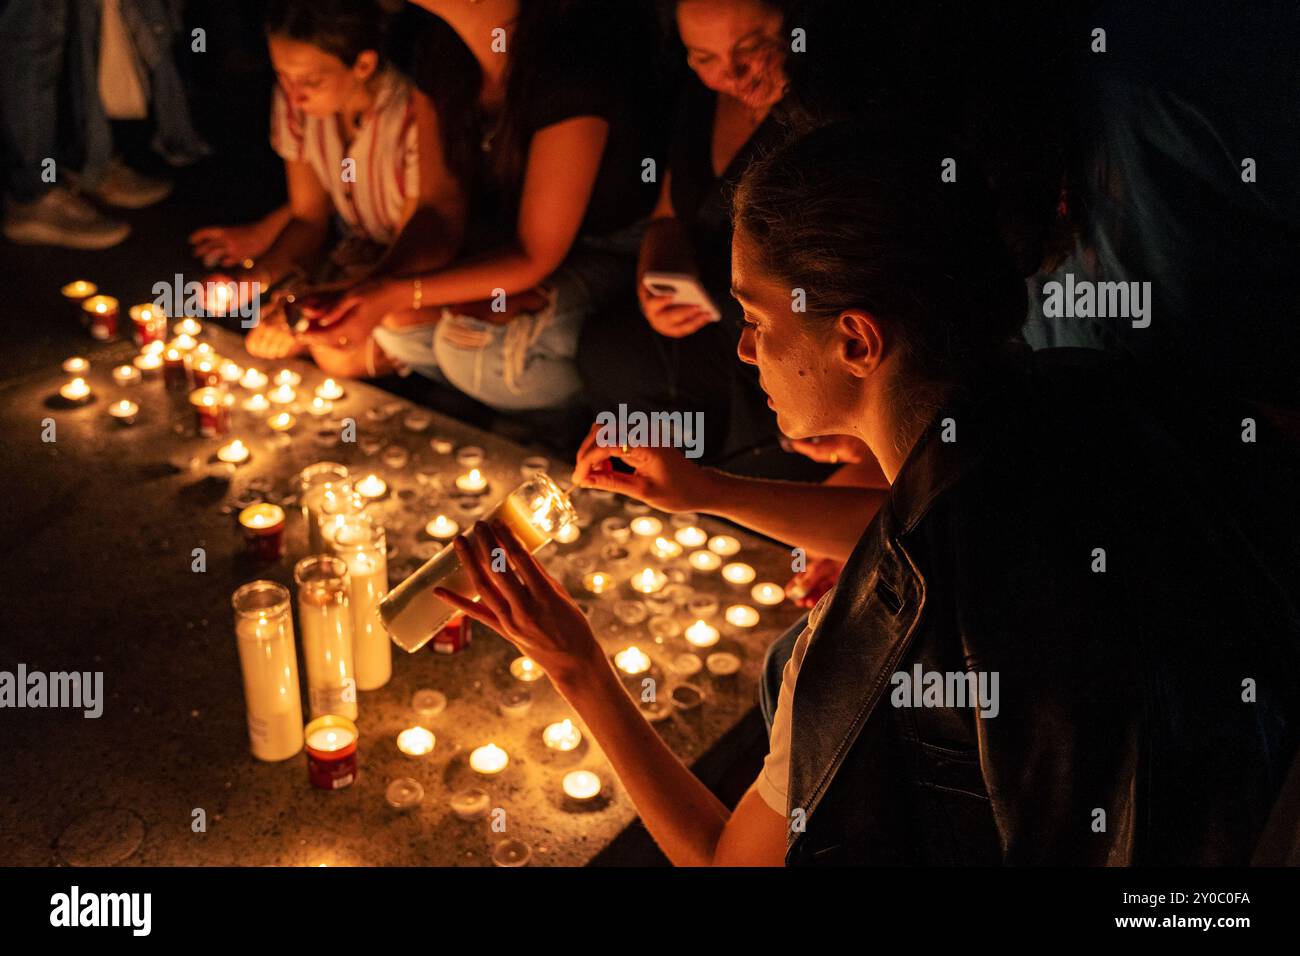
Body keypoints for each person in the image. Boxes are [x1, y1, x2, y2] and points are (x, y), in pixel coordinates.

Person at [433, 121, 1300, 865]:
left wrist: (577, 665)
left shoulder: (862, 652)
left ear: (855, 339)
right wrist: (707, 491)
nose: (743, 352)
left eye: (758, 320)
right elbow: (942, 524)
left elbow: (722, 858)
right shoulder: (1075, 392)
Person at [298, 0, 660, 414]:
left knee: (473, 349)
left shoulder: (570, 61)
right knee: (394, 324)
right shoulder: (438, 47)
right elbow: (438, 208)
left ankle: (576, 426)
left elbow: (534, 253)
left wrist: (393, 292)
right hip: (507, 244)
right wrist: (369, 293)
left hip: (607, 251)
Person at [199, 0, 467, 380]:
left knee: (336, 352)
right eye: (283, 77)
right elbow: (309, 218)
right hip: (353, 262)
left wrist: (306, 308)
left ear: (363, 65)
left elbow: (416, 251)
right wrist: (252, 281)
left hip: (409, 275)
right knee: (277, 321)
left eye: (310, 81)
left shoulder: (411, 117)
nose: (294, 96)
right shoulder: (297, 105)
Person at [577, 0, 794, 465]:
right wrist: (654, 268)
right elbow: (667, 214)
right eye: (704, 58)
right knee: (610, 348)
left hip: (774, 330)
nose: (729, 74)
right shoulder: (699, 98)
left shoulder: (824, 112)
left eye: (750, 48)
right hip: (700, 312)